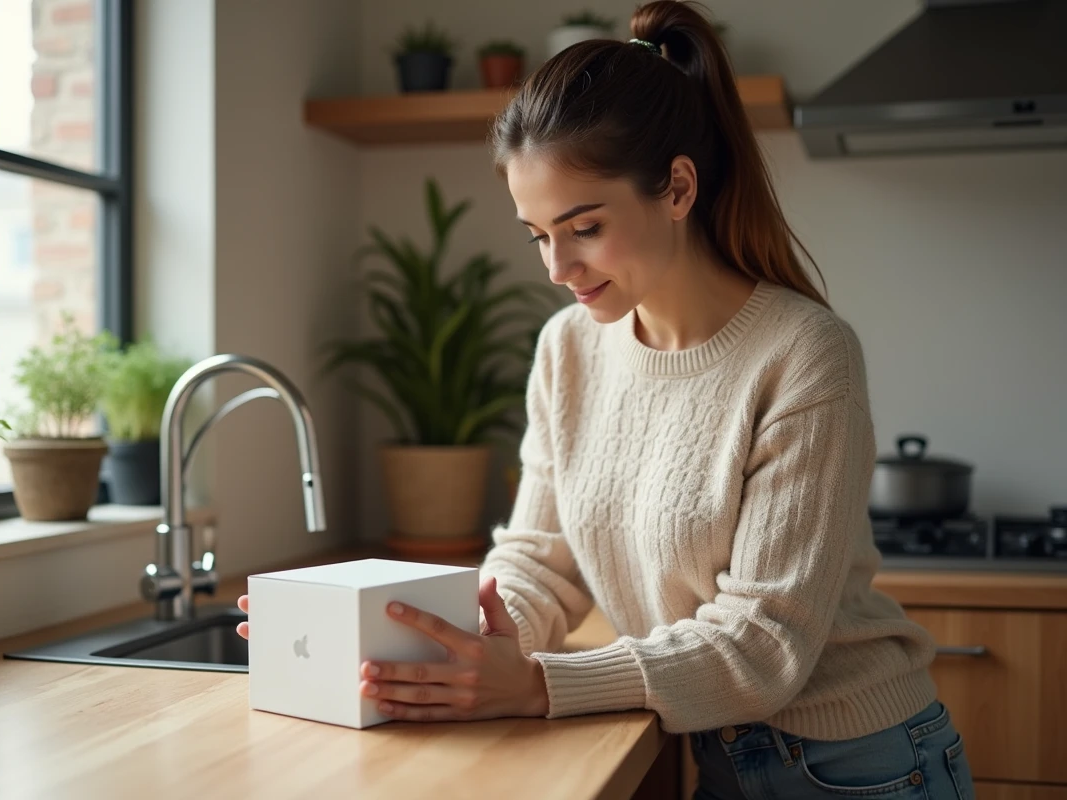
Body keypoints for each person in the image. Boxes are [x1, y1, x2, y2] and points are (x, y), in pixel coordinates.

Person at [237, 2, 976, 796]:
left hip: (863, 764)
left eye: (583, 227)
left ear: (678, 188)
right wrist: (457, 638)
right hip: (721, 754)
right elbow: (540, 560)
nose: (556, 267)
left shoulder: (803, 353)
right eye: (538, 234)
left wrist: (537, 684)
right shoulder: (569, 349)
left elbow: (763, 645)